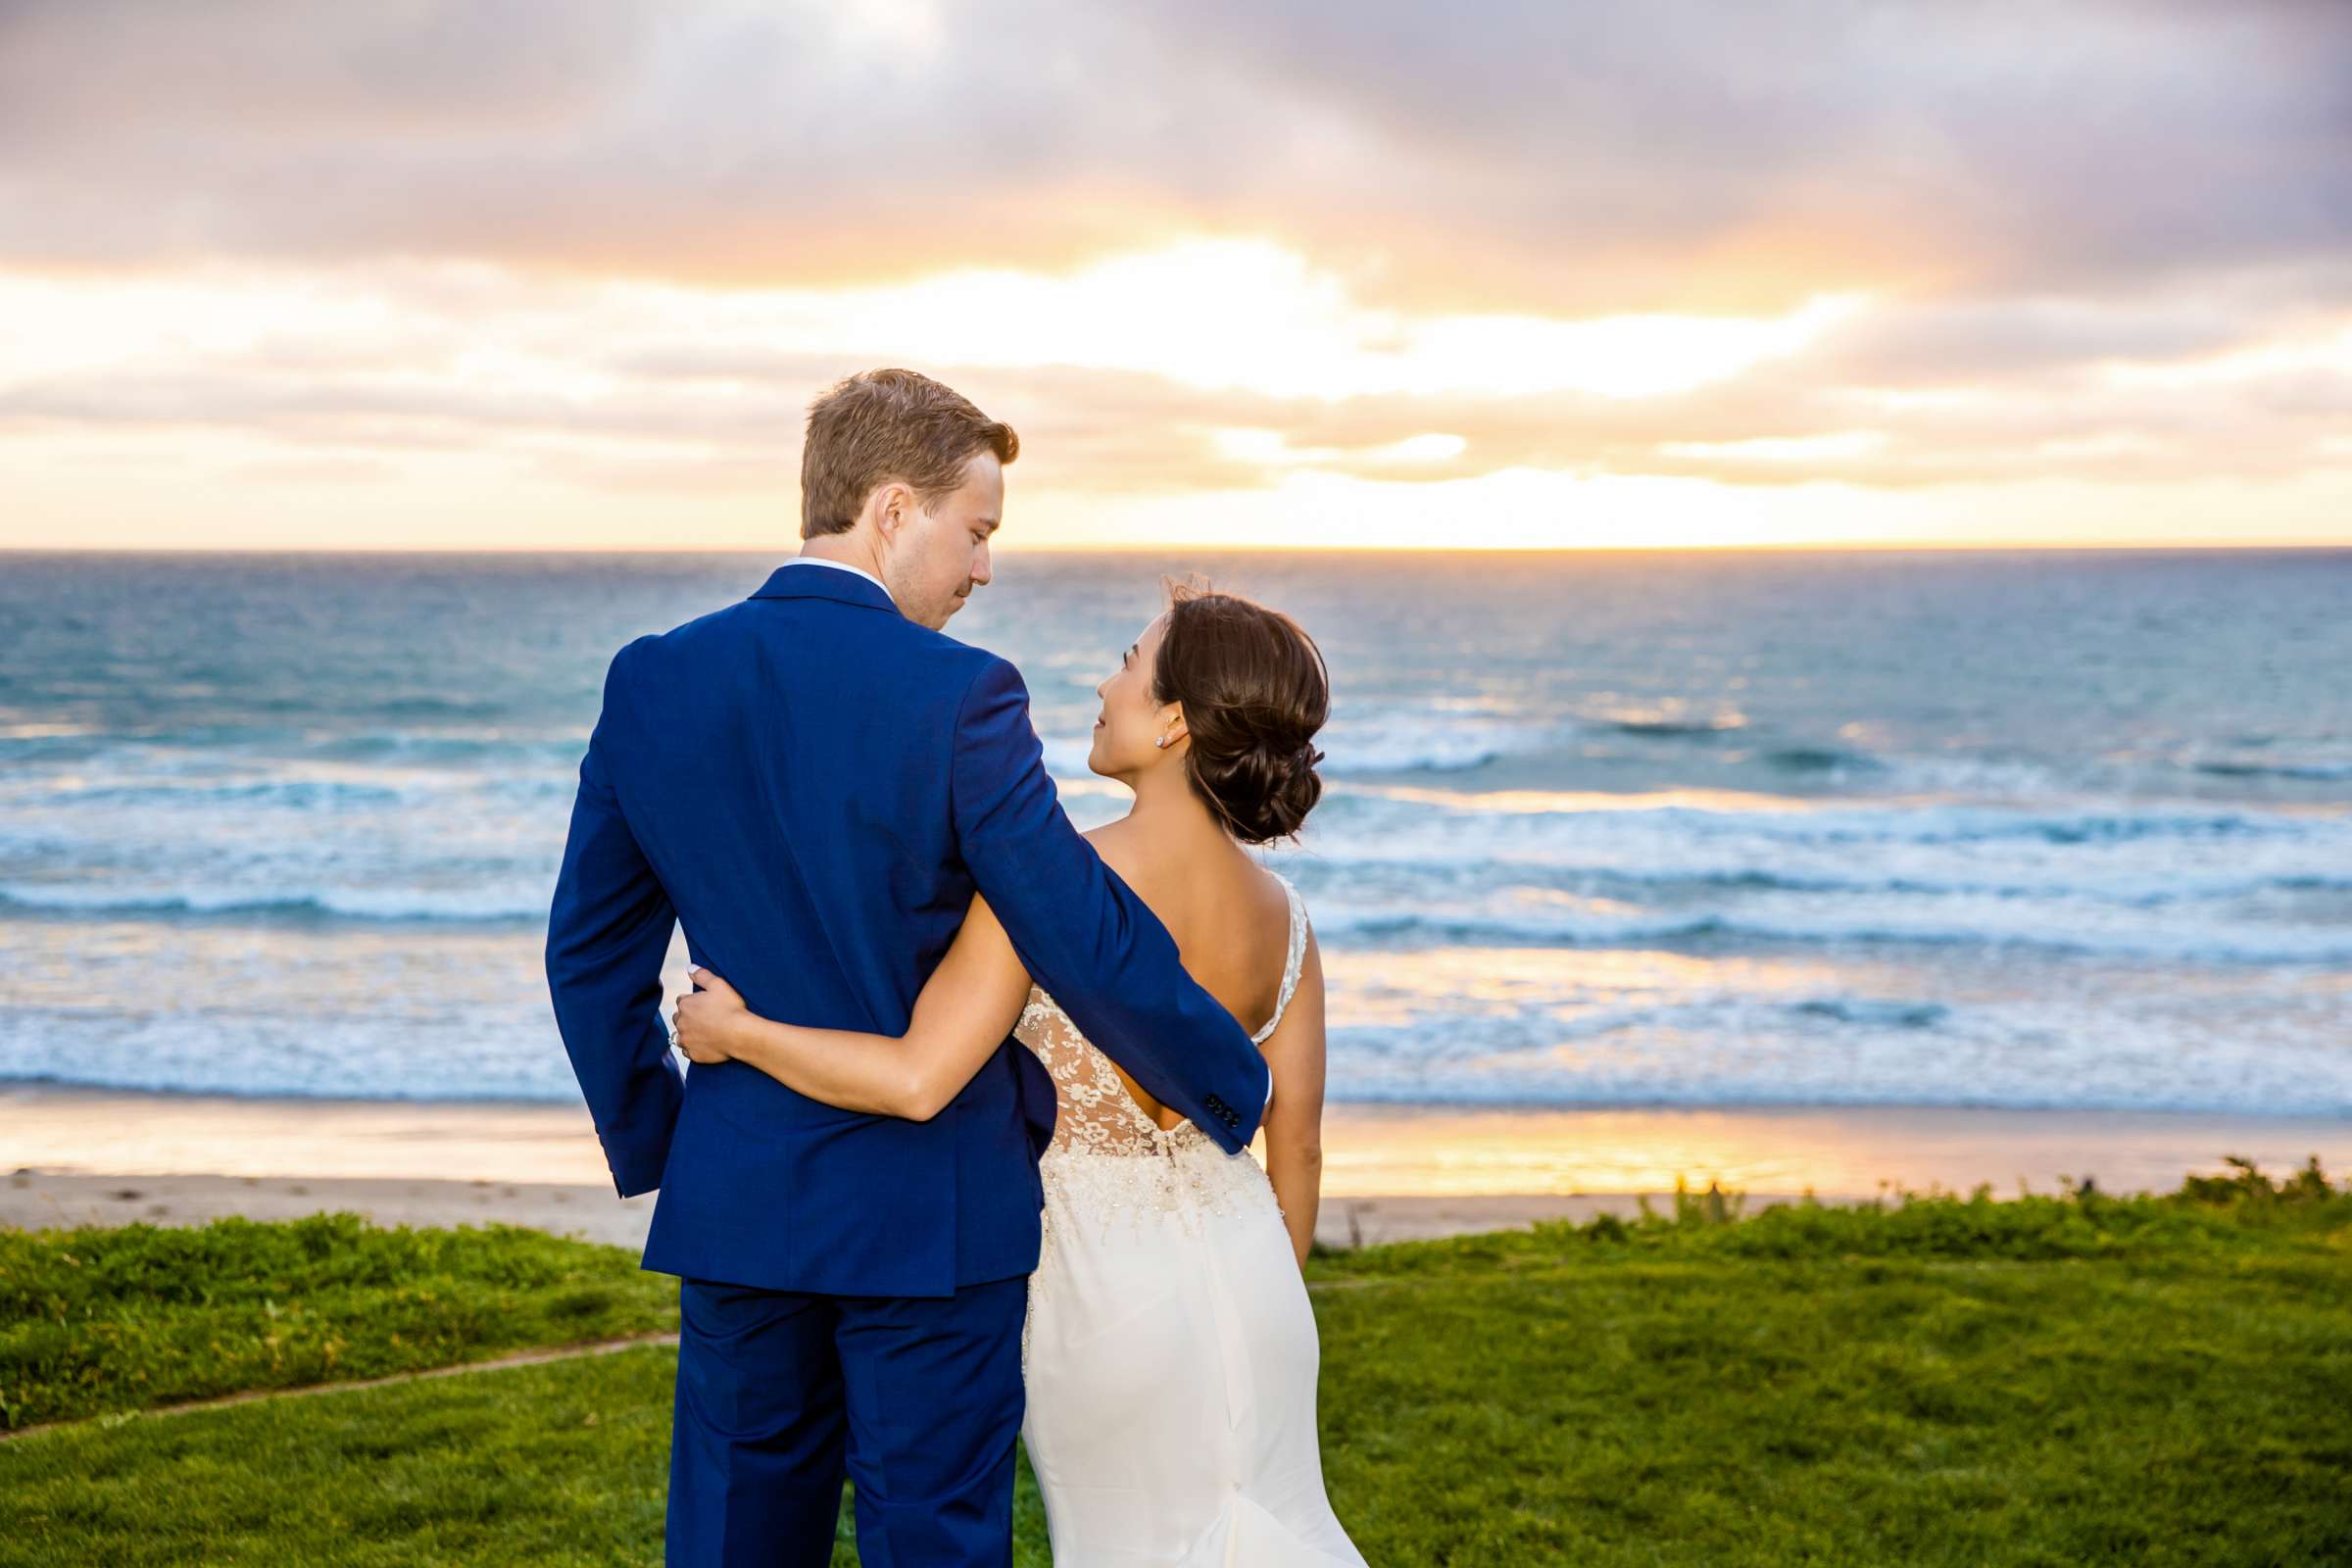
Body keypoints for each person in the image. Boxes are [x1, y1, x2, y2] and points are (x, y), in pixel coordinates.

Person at [543, 368, 1273, 1567]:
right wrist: (1228, 1082)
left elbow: (588, 953)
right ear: (893, 511)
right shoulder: (962, 696)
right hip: (932, 1221)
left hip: (743, 1205)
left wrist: (668, 1139)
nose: (984, 568)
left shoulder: (654, 678)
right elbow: (1072, 923)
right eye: (976, 531)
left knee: (736, 1544)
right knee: (931, 1544)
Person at [673, 583, 1369, 1566]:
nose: (1103, 680)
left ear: (1174, 720)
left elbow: (918, 1078)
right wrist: (1258, 1299)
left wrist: (738, 1032)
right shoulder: (1284, 915)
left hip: (1097, 1291)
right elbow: (1294, 1142)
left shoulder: (1050, 887)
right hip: (1256, 1284)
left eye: (1129, 660)